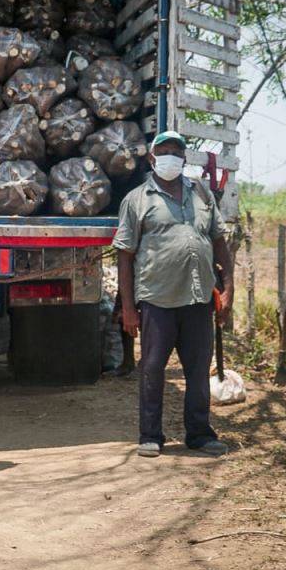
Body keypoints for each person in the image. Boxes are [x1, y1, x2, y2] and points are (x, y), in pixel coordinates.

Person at [113, 131, 234, 458]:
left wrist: (229, 286)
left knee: (198, 370)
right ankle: (151, 435)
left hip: (198, 298)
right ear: (152, 158)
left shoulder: (201, 194)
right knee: (152, 368)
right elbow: (125, 255)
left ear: (184, 159)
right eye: (164, 151)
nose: (171, 157)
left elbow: (219, 240)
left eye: (177, 152)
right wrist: (128, 307)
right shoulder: (137, 199)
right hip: (157, 299)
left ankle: (199, 434)